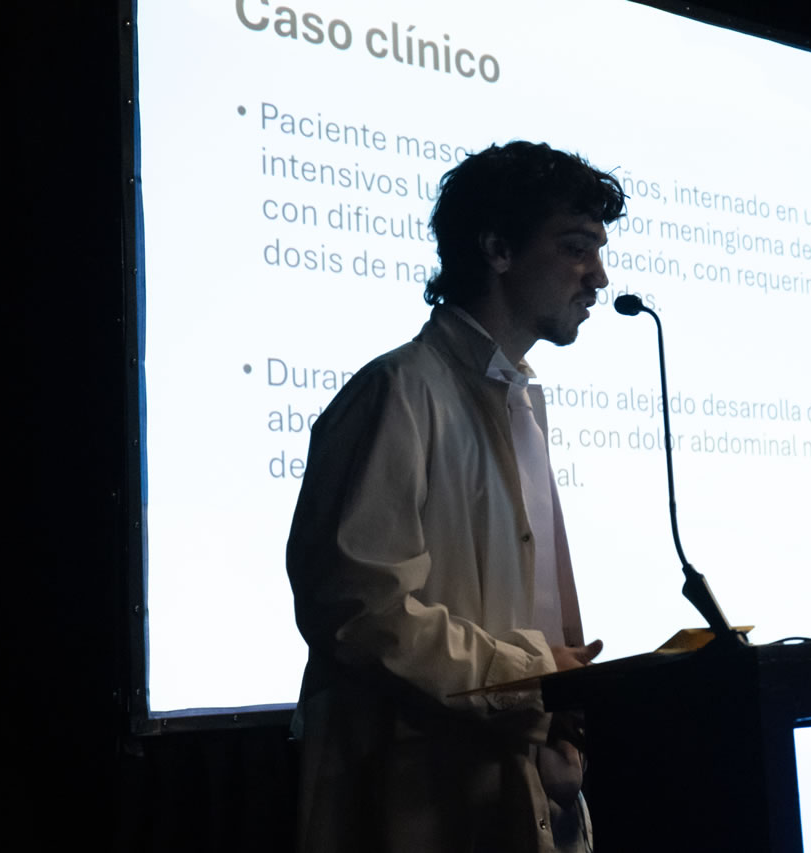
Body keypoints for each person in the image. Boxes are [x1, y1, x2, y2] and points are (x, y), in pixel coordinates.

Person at [286, 140, 626, 853]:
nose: (598, 276)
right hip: (421, 805)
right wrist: (532, 677)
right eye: (575, 248)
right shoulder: (398, 392)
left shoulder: (519, 401)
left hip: (526, 790)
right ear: (497, 249)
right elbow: (360, 613)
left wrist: (561, 721)